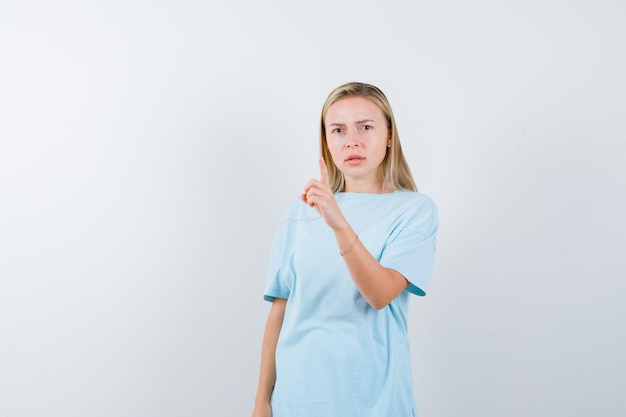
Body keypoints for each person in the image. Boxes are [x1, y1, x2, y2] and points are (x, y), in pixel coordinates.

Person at [251, 82, 439, 417]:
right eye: (338, 130)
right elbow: (280, 312)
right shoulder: (300, 211)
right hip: (296, 401)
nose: (352, 140)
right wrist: (261, 403)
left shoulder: (415, 210)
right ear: (326, 141)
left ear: (390, 135)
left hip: (376, 403)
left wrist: (338, 222)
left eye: (366, 127)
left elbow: (380, 294)